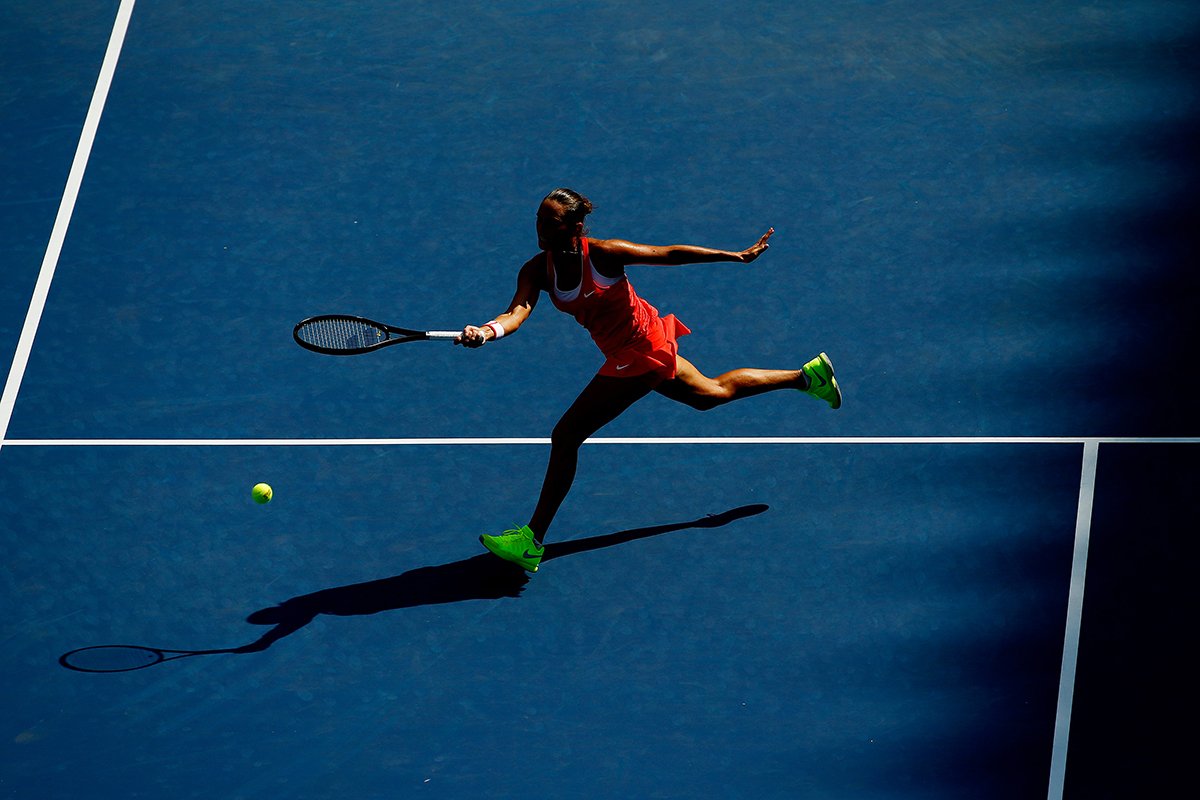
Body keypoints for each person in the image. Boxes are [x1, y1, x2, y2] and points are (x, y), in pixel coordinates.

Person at [455, 188, 840, 572]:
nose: (539, 229)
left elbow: (668, 254)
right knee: (710, 394)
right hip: (632, 349)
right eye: (538, 219)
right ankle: (807, 377)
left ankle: (531, 540)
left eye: (549, 222)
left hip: (641, 350)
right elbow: (516, 312)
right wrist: (488, 331)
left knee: (567, 434)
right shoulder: (537, 270)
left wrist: (735, 256)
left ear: (575, 226)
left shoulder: (604, 253)